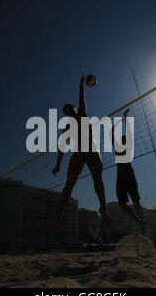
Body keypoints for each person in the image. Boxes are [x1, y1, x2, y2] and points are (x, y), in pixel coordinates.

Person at [52, 75, 112, 228]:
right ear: (65, 114)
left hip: (91, 149)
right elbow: (62, 146)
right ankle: (58, 213)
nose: (69, 111)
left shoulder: (82, 113)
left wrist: (81, 84)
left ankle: (103, 208)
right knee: (69, 183)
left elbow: (81, 97)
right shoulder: (67, 126)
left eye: (70, 108)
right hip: (79, 152)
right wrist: (58, 164)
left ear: (74, 108)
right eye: (66, 111)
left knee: (97, 179)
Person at [109, 108, 145, 235]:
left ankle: (142, 223)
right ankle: (137, 220)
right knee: (122, 203)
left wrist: (124, 118)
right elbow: (111, 133)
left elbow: (128, 131)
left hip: (128, 173)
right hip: (120, 176)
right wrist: (119, 121)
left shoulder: (127, 146)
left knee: (135, 200)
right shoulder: (118, 146)